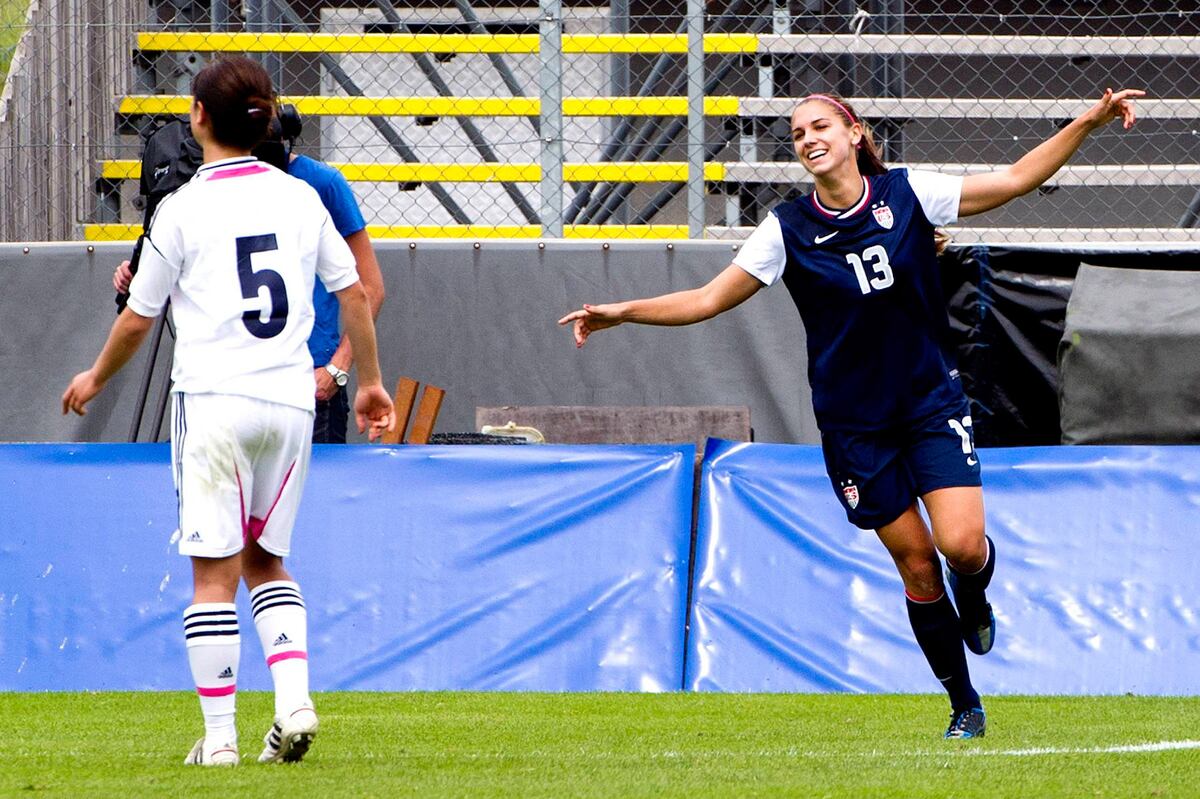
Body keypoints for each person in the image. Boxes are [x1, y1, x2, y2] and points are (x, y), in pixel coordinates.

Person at [560, 87, 1143, 739]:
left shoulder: (907, 193)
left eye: (819, 125)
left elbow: (1013, 179)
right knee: (918, 565)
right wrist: (620, 311)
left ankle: (974, 588)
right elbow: (706, 298)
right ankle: (964, 703)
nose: (807, 136)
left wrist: (1087, 122)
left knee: (960, 546)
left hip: (929, 403)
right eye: (796, 131)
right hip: (854, 427)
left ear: (852, 133)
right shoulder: (787, 228)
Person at [64, 56, 395, 765]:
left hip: (215, 400)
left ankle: (219, 742)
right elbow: (356, 293)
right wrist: (367, 380)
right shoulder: (300, 198)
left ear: (198, 118)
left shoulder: (183, 207)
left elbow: (136, 318)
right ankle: (295, 700)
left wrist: (93, 377)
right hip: (288, 399)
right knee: (269, 559)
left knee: (213, 575)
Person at [113, 126, 386, 444]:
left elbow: (369, 287)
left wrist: (336, 370)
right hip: (231, 383)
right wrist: (147, 275)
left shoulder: (319, 185)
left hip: (307, 377)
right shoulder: (209, 189)